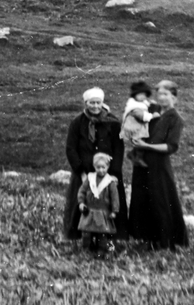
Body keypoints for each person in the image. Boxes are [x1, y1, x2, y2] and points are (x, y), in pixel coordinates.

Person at [128, 80, 189, 250]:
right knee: (142, 199)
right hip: (141, 162)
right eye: (159, 94)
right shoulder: (152, 110)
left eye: (166, 94)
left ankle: (166, 242)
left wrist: (147, 146)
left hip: (159, 165)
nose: (162, 98)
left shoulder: (175, 119)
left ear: (174, 98)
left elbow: (171, 147)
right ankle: (147, 239)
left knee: (161, 201)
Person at [63, 88, 124, 245]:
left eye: (98, 102)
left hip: (107, 172)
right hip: (85, 172)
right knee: (83, 202)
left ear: (103, 103)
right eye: (92, 103)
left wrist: (114, 174)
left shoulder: (114, 123)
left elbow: (118, 148)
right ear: (86, 103)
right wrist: (81, 172)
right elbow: (71, 148)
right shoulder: (77, 123)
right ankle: (82, 238)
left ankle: (109, 239)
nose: (95, 106)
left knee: (109, 203)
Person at [76, 152, 120, 256]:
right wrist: (81, 203)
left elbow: (115, 197)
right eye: (98, 167)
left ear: (108, 167)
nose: (101, 170)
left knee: (102, 233)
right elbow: (82, 191)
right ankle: (87, 249)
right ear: (94, 167)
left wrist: (114, 211)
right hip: (89, 211)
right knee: (86, 232)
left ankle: (101, 250)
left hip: (102, 212)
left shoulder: (110, 181)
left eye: (103, 167)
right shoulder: (90, 178)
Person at [122, 80, 159, 171]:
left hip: (137, 125)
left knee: (142, 139)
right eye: (140, 95)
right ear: (135, 95)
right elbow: (142, 116)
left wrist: (150, 103)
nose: (142, 97)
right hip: (134, 126)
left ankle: (134, 153)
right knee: (141, 140)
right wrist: (152, 116)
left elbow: (145, 104)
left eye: (144, 95)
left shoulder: (140, 102)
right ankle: (137, 156)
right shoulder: (134, 106)